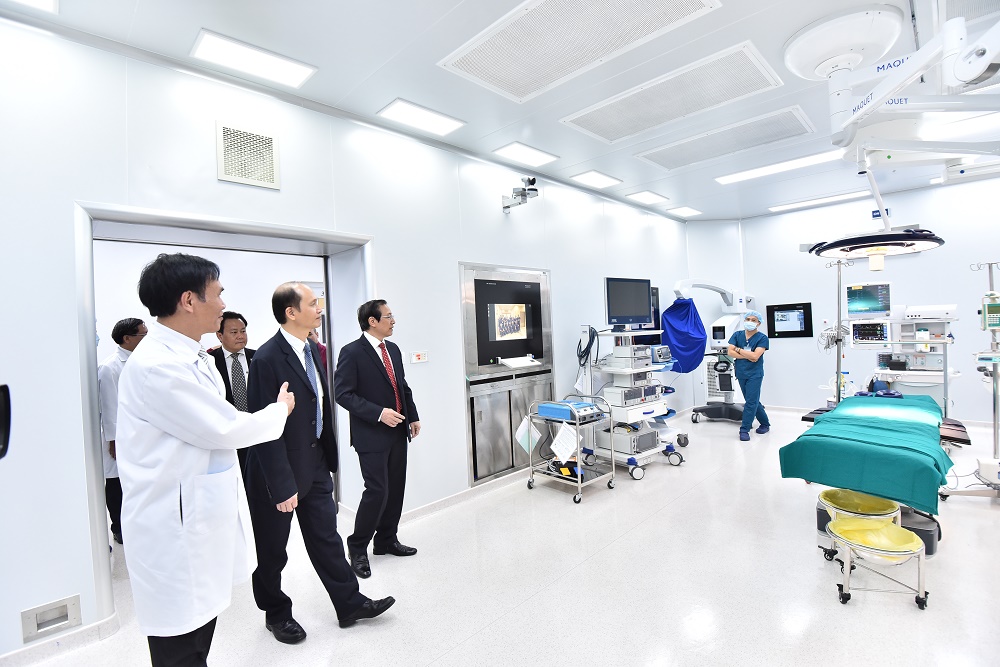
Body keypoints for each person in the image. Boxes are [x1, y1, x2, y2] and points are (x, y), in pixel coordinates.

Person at [116, 253, 294, 667]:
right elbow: (225, 427)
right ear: (188, 301)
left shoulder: (192, 355)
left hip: (197, 517)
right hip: (172, 528)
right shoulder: (158, 366)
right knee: (180, 646)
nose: (222, 303)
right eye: (217, 293)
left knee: (200, 633)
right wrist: (280, 410)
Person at [246, 283, 394, 645]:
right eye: (313, 304)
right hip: (276, 472)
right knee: (273, 552)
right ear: (291, 312)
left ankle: (350, 604)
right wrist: (281, 486)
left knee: (327, 539)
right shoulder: (266, 359)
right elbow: (262, 428)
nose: (320, 309)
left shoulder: (313, 350)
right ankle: (276, 613)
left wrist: (326, 459)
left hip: (313, 462)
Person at [334, 299, 420, 579]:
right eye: (389, 316)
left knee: (395, 488)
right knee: (377, 491)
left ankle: (386, 540)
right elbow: (343, 394)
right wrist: (378, 413)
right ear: (372, 321)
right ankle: (357, 546)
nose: (393, 320)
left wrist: (413, 415)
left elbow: (401, 386)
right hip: (371, 433)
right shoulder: (352, 352)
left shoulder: (392, 349)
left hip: (398, 429)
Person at [97, 317, 147, 545]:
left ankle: (137, 524)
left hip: (141, 434)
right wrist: (114, 441)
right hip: (119, 438)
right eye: (142, 335)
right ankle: (118, 527)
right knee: (117, 483)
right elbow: (109, 406)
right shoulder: (110, 367)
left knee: (137, 482)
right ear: (127, 339)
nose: (147, 339)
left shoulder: (143, 361)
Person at [210, 311, 255, 472]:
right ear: (219, 336)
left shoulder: (258, 358)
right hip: (226, 435)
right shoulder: (210, 362)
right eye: (234, 332)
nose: (240, 336)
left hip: (255, 431)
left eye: (243, 331)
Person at [727, 309, 771, 441]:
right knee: (753, 400)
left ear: (758, 323)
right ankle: (765, 423)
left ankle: (744, 429)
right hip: (741, 372)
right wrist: (748, 355)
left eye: (753, 320)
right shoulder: (737, 335)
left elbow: (755, 356)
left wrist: (739, 350)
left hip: (755, 374)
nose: (750, 322)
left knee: (750, 402)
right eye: (748, 319)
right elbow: (730, 352)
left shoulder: (762, 338)